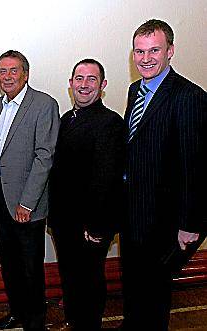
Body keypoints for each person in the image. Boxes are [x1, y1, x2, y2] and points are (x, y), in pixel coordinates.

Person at [121, 19, 206, 330]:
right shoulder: (135, 90)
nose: (146, 58)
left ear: (170, 51)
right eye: (139, 51)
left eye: (154, 50)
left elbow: (195, 166)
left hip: (165, 221)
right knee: (134, 289)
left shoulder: (189, 96)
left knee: (155, 297)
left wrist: (189, 225)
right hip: (133, 215)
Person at [0, 50, 60, 330]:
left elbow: (44, 156)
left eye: (13, 70)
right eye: (2, 71)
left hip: (28, 204)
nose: (7, 76)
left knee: (30, 269)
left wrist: (26, 203)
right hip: (1, 200)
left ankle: (35, 322)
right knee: (10, 264)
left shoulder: (43, 104)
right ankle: (17, 312)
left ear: (26, 74)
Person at [48, 59, 125, 330]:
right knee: (71, 280)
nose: (84, 85)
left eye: (91, 79)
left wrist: (98, 226)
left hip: (90, 227)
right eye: (79, 78)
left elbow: (107, 180)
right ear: (70, 83)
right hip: (63, 222)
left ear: (102, 85)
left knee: (89, 283)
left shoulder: (111, 123)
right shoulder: (66, 120)